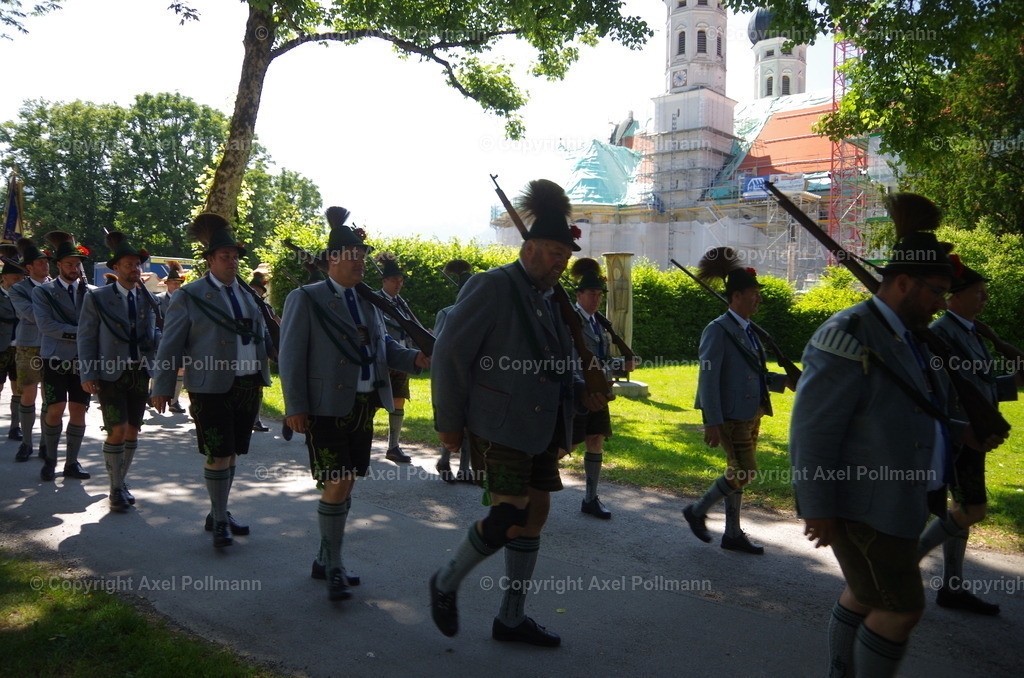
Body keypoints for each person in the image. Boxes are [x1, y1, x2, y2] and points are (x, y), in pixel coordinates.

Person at [789, 193, 1004, 678]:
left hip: (904, 499)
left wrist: (960, 433)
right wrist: (817, 505)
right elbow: (813, 430)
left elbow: (911, 408)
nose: (940, 303)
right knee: (902, 609)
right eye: (934, 292)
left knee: (866, 596)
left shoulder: (910, 335)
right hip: (865, 504)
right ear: (903, 282)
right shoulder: (846, 333)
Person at [428, 179, 609, 647]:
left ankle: (511, 618)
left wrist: (580, 391)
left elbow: (550, 365)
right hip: (497, 422)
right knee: (509, 515)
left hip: (541, 425)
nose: (560, 263)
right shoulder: (491, 286)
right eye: (554, 253)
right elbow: (449, 355)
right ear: (529, 248)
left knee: (537, 512)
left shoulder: (551, 300)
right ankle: (446, 581)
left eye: (565, 257)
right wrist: (449, 423)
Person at [279, 208, 428, 601]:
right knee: (339, 481)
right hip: (324, 407)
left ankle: (324, 557)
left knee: (345, 486)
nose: (360, 261)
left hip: (365, 404)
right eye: (352, 255)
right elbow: (290, 355)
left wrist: (412, 358)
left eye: (362, 255)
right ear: (332, 259)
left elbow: (383, 346)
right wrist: (294, 405)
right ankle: (334, 566)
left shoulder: (370, 301)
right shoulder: (305, 298)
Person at [151, 214, 274, 548]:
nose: (232, 261)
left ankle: (219, 509)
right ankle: (219, 518)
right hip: (210, 386)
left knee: (232, 452)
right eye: (225, 256)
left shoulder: (249, 294)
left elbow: (259, 336)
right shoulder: (189, 296)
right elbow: (171, 344)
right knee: (219, 452)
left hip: (248, 382)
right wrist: (162, 387)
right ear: (209, 260)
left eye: (235, 256)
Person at [917, 263, 1022, 615]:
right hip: (956, 437)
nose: (986, 299)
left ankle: (952, 585)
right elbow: (939, 392)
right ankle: (904, 566)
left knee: (963, 510)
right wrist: (959, 428)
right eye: (979, 292)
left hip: (971, 434)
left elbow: (981, 384)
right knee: (973, 509)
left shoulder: (971, 331)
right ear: (956, 296)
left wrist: (1016, 380)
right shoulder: (942, 333)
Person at [681, 247, 791, 554]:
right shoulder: (717, 331)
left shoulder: (749, 330)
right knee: (745, 470)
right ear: (736, 296)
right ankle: (698, 510)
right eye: (754, 293)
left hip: (751, 412)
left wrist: (784, 381)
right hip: (729, 414)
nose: (759, 298)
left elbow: (754, 373)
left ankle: (731, 533)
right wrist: (711, 421)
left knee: (736, 471)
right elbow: (708, 378)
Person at [78, 233, 160, 511]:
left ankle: (120, 482)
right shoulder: (98, 298)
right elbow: (86, 337)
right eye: (127, 264)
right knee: (118, 429)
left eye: (137, 264)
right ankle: (115, 488)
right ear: (115, 268)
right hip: (110, 372)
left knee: (134, 430)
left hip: (140, 371)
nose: (134, 269)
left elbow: (154, 333)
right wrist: (88, 373)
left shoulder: (149, 299)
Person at [568, 257, 634, 519]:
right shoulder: (571, 321)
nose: (596, 299)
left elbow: (603, 360)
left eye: (599, 294)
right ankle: (531, 492)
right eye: (591, 294)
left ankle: (590, 497)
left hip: (599, 392)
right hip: (578, 391)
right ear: (579, 294)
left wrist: (621, 365)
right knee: (566, 446)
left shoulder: (600, 323)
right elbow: (568, 357)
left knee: (595, 440)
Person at [32, 232, 95, 482]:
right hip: (55, 357)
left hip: (83, 360)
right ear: (58, 265)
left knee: (79, 409)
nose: (74, 268)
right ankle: (50, 458)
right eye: (69, 263)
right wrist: (82, 333)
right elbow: (46, 326)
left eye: (77, 263)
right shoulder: (44, 292)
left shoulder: (91, 292)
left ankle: (72, 462)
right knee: (55, 408)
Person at [373, 252, 419, 464]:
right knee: (373, 401)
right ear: (384, 281)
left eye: (400, 280)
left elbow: (410, 326)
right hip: (381, 357)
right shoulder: (374, 300)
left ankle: (393, 446)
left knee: (398, 398)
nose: (398, 284)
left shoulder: (402, 303)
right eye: (394, 280)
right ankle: (362, 440)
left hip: (403, 356)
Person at [433, 258, 475, 484]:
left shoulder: (481, 317)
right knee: (452, 420)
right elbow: (438, 347)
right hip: (451, 376)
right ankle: (444, 460)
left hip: (474, 376)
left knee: (470, 423)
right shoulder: (446, 314)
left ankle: (465, 468)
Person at [10, 238, 51, 462]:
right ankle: (26, 442)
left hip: (52, 346)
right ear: (29, 267)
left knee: (50, 397)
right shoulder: (18, 289)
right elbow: (31, 315)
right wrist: (52, 315)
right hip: (28, 346)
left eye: (46, 261)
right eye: (40, 262)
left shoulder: (56, 285)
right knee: (28, 393)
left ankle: (46, 443)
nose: (45, 265)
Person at [0, 249, 25, 442]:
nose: (19, 280)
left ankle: (15, 426)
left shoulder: (24, 296)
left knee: (19, 389)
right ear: (4, 277)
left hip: (20, 347)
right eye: (15, 277)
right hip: (1, 347)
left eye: (21, 277)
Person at [156, 261, 186, 414]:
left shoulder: (184, 300)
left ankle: (174, 401)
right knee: (159, 368)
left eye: (178, 283)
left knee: (180, 369)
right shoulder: (159, 299)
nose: (175, 285)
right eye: (173, 283)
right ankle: (154, 392)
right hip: (161, 339)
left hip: (180, 340)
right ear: (167, 283)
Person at [248, 271, 274, 433]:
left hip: (260, 351)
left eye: (258, 290)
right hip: (243, 352)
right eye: (253, 289)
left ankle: (256, 419)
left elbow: (272, 329)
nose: (255, 292)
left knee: (258, 387)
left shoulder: (267, 309)